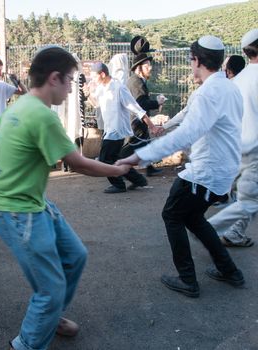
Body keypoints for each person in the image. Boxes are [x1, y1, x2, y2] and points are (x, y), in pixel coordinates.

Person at [0, 46, 131, 350]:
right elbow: (79, 163)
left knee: (75, 256)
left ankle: (51, 315)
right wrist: (119, 169)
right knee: (50, 287)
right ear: (54, 78)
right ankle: (27, 344)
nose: (72, 89)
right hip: (17, 211)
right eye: (70, 81)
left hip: (32, 204)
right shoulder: (41, 115)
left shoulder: (20, 106)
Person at [117, 35, 245, 298]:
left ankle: (188, 279)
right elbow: (187, 114)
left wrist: (138, 157)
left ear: (197, 60)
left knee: (173, 215)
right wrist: (166, 125)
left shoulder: (209, 93)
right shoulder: (228, 88)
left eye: (191, 61)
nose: (190, 66)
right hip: (222, 170)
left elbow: (186, 134)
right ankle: (229, 270)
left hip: (205, 173)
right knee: (194, 217)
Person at [208, 29, 258, 247]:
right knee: (248, 200)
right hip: (255, 149)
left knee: (238, 194)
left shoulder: (239, 79)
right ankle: (209, 230)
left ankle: (229, 232)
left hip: (235, 145)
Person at [84, 62, 155, 193]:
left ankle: (118, 184)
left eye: (94, 76)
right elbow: (96, 104)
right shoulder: (101, 88)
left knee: (105, 159)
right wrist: (88, 94)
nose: (92, 80)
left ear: (103, 74)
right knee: (115, 159)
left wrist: (152, 126)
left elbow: (136, 108)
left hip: (117, 130)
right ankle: (139, 180)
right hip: (109, 129)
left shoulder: (119, 88)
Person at [127, 36, 166, 177]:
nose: (150, 67)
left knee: (144, 146)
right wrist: (157, 103)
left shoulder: (137, 80)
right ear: (138, 68)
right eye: (147, 66)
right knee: (126, 154)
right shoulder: (136, 82)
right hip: (135, 123)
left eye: (150, 65)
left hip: (137, 123)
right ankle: (119, 173)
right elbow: (141, 103)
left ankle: (148, 169)